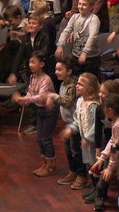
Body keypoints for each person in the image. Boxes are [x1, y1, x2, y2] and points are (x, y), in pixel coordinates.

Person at [11, 51, 59, 177]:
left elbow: (42, 97)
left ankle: (51, 166)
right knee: (39, 138)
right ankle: (44, 163)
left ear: (42, 64)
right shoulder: (32, 78)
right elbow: (31, 93)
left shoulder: (46, 79)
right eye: (29, 62)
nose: (30, 65)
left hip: (50, 111)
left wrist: (24, 99)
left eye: (33, 62)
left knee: (46, 138)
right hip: (40, 110)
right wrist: (24, 100)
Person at [45, 57, 84, 188]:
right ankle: (73, 172)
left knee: (76, 150)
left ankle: (82, 175)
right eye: (56, 69)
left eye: (60, 69)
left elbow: (66, 102)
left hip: (75, 124)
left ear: (69, 71)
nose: (56, 72)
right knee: (68, 150)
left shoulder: (72, 85)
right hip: (68, 122)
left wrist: (53, 96)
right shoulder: (63, 84)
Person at [87, 94, 119, 210]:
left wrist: (110, 167)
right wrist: (102, 157)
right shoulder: (116, 122)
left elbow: (117, 148)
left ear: (109, 109)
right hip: (117, 159)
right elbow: (112, 141)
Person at [56, 0, 100, 76]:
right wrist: (60, 45)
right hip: (76, 55)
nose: (81, 7)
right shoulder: (75, 17)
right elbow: (66, 31)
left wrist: (85, 53)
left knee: (88, 82)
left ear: (91, 6)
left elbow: (92, 37)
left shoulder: (94, 19)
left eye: (84, 4)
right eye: (79, 4)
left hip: (90, 58)